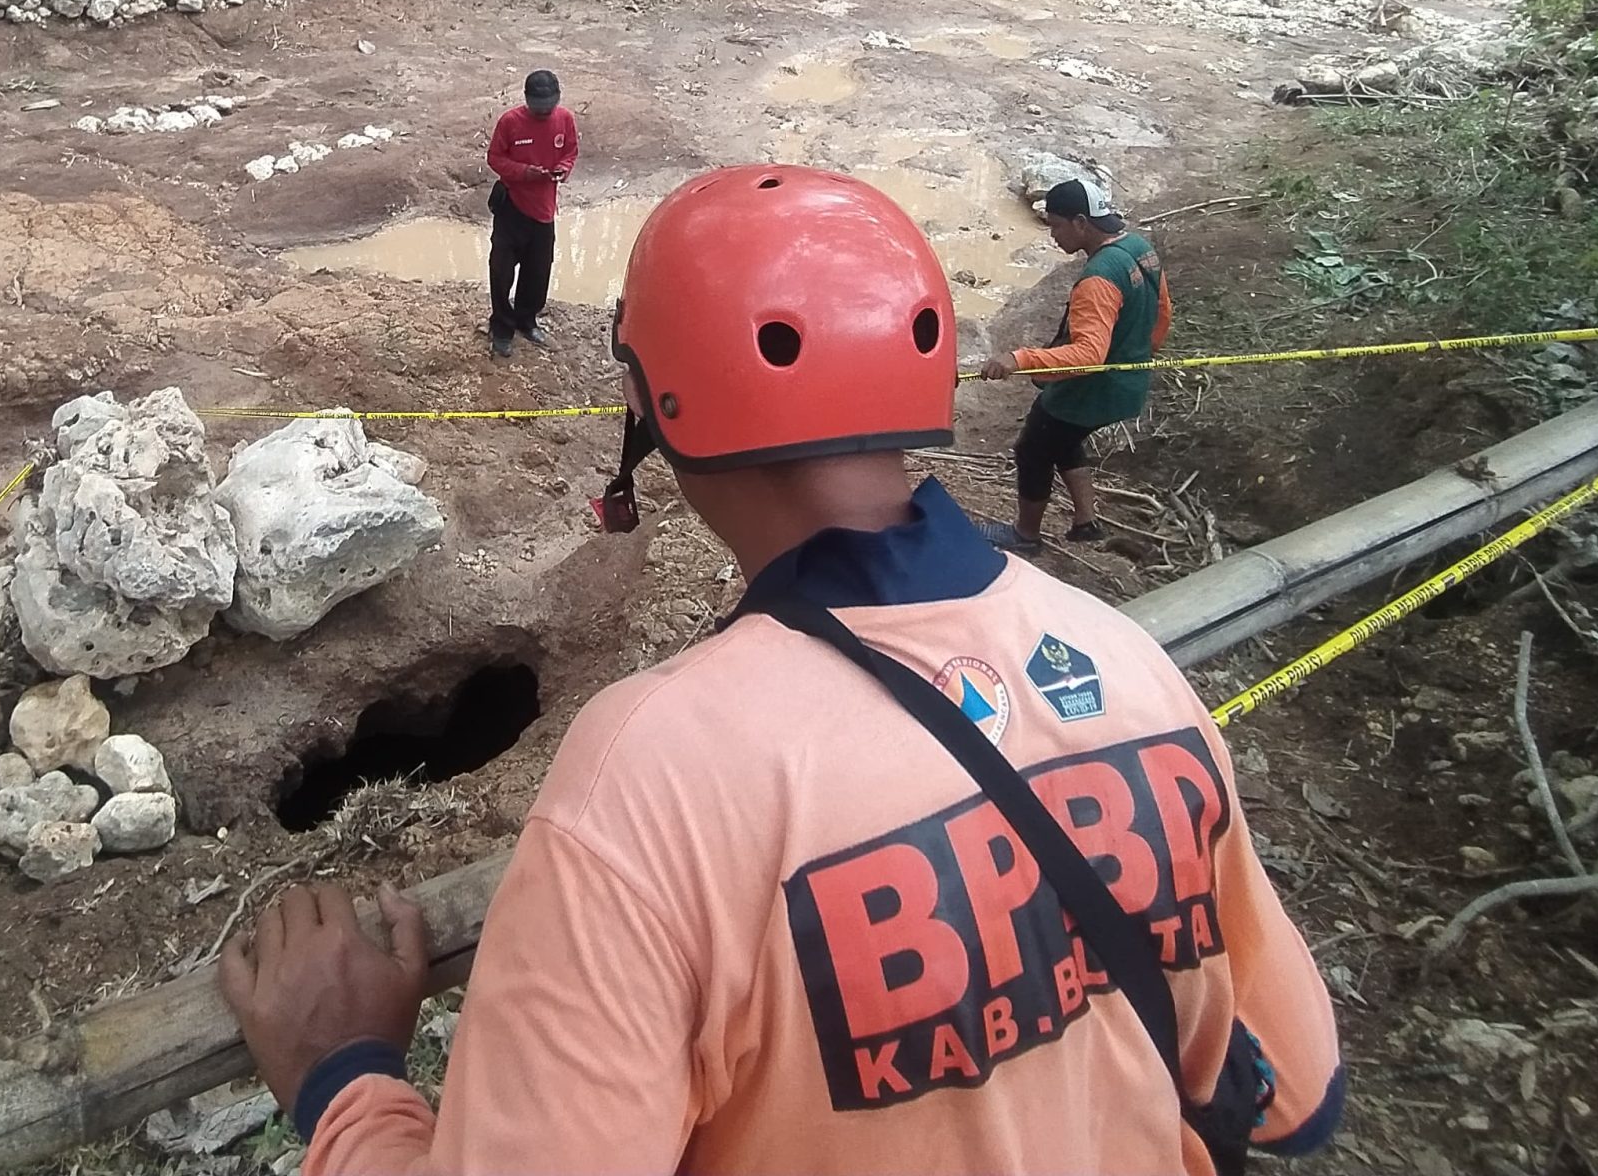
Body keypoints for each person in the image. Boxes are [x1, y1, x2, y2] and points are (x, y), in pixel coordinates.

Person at [220, 165, 1340, 1174]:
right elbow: (1288, 1094)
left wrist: (345, 1083)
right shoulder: (1124, 660)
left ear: (650, 400)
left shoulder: (650, 780)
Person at [980, 175, 1170, 552]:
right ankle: (1085, 522)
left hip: (1094, 387)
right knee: (1063, 438)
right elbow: (1164, 312)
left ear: (1081, 222)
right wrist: (1135, 354)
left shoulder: (1098, 280)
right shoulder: (1139, 247)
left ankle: (1025, 536)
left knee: (1034, 447)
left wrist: (1020, 359)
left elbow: (1087, 356)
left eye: (1056, 226)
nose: (1053, 236)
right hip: (1127, 382)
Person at [484, 69, 577, 359]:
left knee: (538, 272)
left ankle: (527, 320)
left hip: (544, 210)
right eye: (539, 107)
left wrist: (563, 169)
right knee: (501, 270)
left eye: (549, 105)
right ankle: (501, 327)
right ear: (527, 100)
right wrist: (524, 172)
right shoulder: (510, 122)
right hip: (511, 206)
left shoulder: (565, 119)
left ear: (557, 98)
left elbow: (571, 151)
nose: (545, 111)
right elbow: (495, 158)